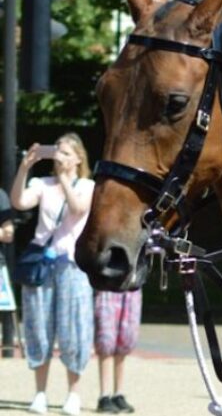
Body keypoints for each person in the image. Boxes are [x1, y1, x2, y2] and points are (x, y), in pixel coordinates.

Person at [11, 134, 96, 416]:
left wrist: (63, 179)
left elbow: (78, 208)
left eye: (66, 153)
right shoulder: (42, 184)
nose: (60, 156)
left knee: (75, 329)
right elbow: (19, 201)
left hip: (73, 265)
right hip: (42, 264)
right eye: (57, 151)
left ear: (78, 158)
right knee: (38, 327)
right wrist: (25, 167)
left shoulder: (87, 186)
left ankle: (73, 394)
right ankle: (40, 393)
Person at [94, 287, 142, 413]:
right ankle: (104, 395)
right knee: (106, 336)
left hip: (131, 283)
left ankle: (118, 394)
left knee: (126, 337)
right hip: (107, 282)